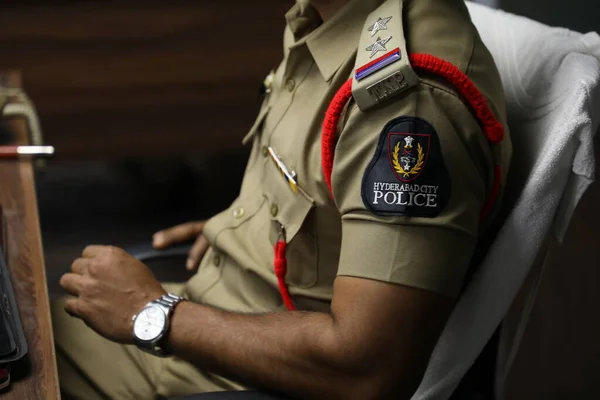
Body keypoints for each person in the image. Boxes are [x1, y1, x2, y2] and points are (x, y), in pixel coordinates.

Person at [52, 0, 512, 399]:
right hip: (211, 312)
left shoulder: (407, 101)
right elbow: (317, 190)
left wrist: (149, 312)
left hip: (219, 377)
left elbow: (368, 370)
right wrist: (241, 227)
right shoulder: (324, 16)